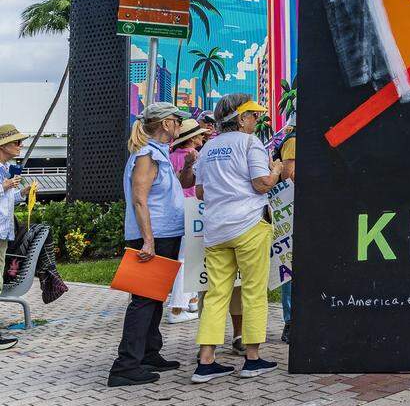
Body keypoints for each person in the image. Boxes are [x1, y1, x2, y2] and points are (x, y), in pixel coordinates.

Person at [191, 94, 282, 383]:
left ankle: (206, 362)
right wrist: (276, 169)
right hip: (249, 225)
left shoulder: (207, 149)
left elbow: (200, 192)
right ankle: (252, 359)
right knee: (254, 292)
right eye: (253, 115)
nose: (257, 119)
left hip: (216, 230)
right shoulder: (249, 143)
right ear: (241, 119)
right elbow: (261, 184)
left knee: (217, 295)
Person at [108, 103, 191, 387]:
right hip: (152, 236)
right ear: (166, 123)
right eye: (178, 121)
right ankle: (125, 366)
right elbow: (139, 199)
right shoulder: (145, 155)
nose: (180, 125)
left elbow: (167, 191)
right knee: (144, 300)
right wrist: (148, 240)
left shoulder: (157, 154)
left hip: (164, 234)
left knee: (155, 298)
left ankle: (148, 352)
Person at [166, 119, 208, 324]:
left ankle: (191, 299)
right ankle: (177, 307)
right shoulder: (195, 158)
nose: (203, 136)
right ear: (191, 138)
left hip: (174, 210)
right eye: (199, 134)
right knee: (188, 258)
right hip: (192, 208)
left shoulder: (170, 156)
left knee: (187, 256)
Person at [0, 124, 31, 351]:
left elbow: (7, 201)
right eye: (16, 142)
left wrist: (21, 193)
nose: (20, 146)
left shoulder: (7, 168)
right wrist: (4, 186)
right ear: (3, 145)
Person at [277, 118, 296, 344]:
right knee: (290, 267)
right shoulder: (293, 140)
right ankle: (290, 321)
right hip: (292, 208)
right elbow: (288, 175)